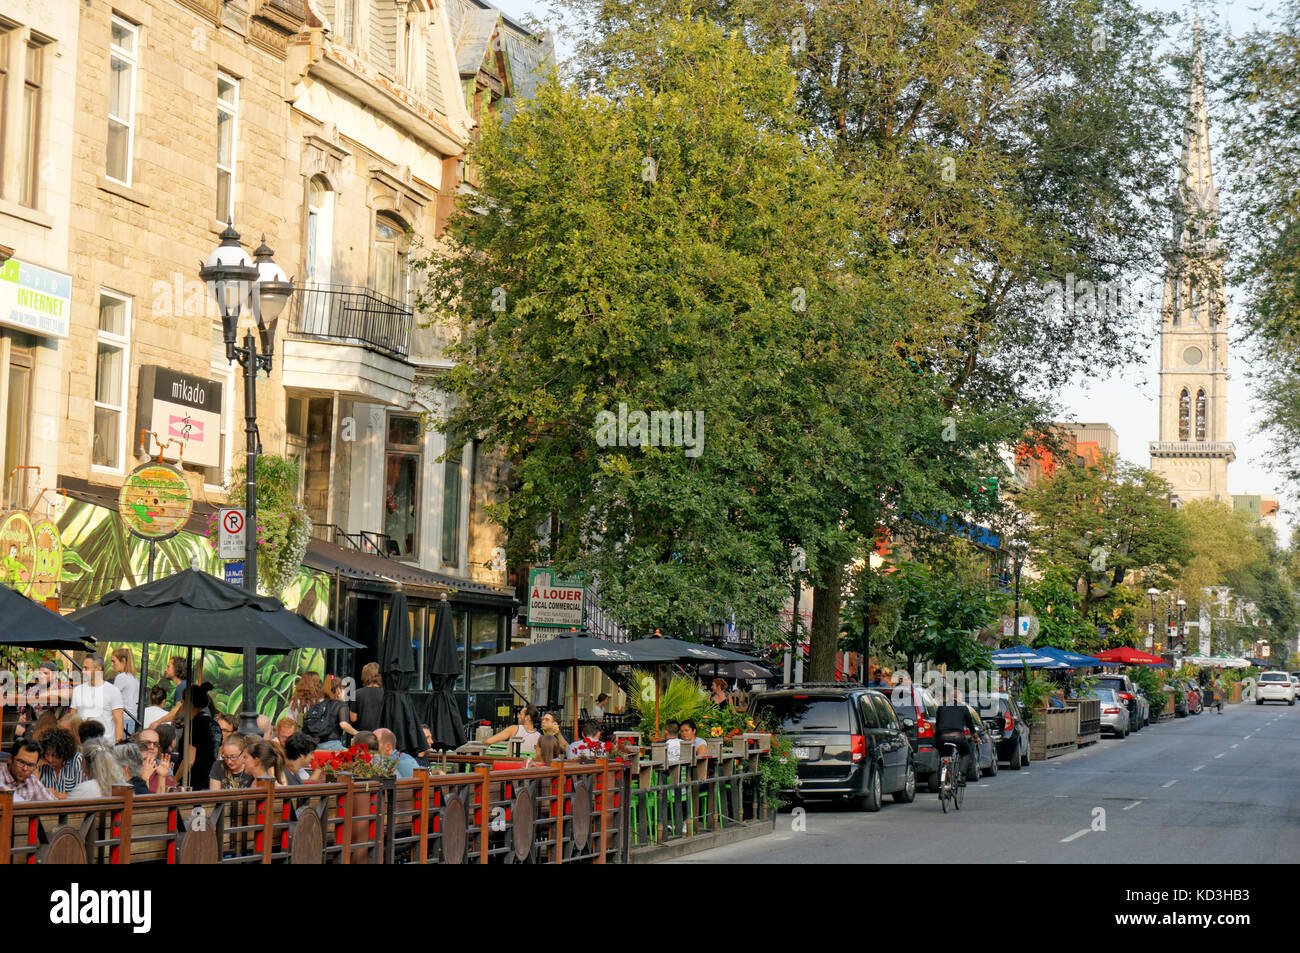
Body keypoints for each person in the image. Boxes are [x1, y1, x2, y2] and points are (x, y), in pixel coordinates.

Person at [177, 683, 222, 790]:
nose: (181, 704)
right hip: (211, 780)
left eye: (182, 701)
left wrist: (174, 780)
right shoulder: (215, 724)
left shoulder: (193, 725)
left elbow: (189, 760)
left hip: (194, 783)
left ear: (188, 703)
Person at [71, 654, 125, 743]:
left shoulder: (113, 691)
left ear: (98, 669)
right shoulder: (77, 690)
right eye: (83, 668)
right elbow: (72, 719)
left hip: (105, 745)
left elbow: (119, 721)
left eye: (86, 668)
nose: (83, 671)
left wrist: (118, 745)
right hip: (81, 745)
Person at [305, 675, 357, 750]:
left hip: (315, 746)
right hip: (333, 744)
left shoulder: (318, 705)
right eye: (344, 689)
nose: (345, 692)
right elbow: (343, 724)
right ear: (339, 690)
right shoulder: (341, 705)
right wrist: (357, 733)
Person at [38, 728, 86, 798]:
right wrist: (35, 767)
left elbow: (81, 796)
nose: (50, 759)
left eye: (55, 755)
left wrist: (56, 795)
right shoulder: (41, 764)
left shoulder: (77, 761)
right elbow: (34, 793)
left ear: (64, 753)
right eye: (47, 754)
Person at [934, 704, 977, 778]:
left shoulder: (941, 707)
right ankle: (961, 774)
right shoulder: (963, 707)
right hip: (958, 737)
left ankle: (943, 770)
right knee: (966, 753)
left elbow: (937, 724)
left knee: (943, 755)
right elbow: (970, 723)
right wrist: (976, 737)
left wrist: (936, 739)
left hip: (943, 737)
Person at [134, 728, 176, 793]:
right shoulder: (128, 770)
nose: (152, 747)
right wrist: (145, 778)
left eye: (156, 744)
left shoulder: (160, 771)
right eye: (147, 743)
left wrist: (162, 777)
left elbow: (162, 801)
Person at [110, 647, 140, 734]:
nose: (112, 664)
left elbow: (112, 699)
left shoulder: (121, 677)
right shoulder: (134, 678)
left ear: (123, 661)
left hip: (123, 720)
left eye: (113, 661)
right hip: (132, 719)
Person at [352, 663, 385, 733]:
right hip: (381, 735)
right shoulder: (386, 694)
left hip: (363, 735)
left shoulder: (356, 693)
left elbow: (353, 718)